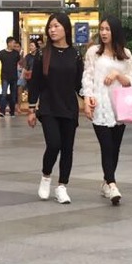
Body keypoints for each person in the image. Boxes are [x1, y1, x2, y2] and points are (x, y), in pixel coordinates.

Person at [26, 13, 83, 204]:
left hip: (69, 107)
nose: (52, 30)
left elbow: (79, 84)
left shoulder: (75, 54)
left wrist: (89, 98)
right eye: (50, 27)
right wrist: (32, 109)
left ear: (66, 29)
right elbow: (34, 83)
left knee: (68, 148)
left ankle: (62, 187)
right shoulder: (43, 54)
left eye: (56, 26)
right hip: (49, 107)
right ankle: (46, 176)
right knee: (54, 144)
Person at [82, 16, 132, 205]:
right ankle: (112, 185)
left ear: (115, 32)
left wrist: (117, 75)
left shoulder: (126, 54)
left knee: (115, 147)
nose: (104, 33)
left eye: (108, 29)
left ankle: (106, 181)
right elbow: (87, 77)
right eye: (102, 29)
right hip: (100, 105)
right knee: (106, 146)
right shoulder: (93, 53)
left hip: (119, 106)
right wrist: (87, 100)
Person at [0, 36, 22, 117]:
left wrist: (21, 56)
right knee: (4, 94)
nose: (14, 44)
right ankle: (2, 111)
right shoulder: (1, 53)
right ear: (9, 43)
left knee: (13, 96)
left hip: (14, 77)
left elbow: (21, 63)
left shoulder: (16, 53)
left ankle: (12, 111)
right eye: (13, 43)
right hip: (5, 76)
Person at [22, 38, 42, 110]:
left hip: (39, 76)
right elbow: (25, 66)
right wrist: (22, 76)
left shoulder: (40, 56)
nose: (31, 47)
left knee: (39, 91)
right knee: (31, 91)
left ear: (36, 47)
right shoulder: (28, 56)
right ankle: (32, 106)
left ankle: (38, 105)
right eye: (30, 46)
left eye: (32, 46)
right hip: (30, 76)